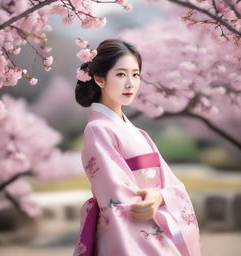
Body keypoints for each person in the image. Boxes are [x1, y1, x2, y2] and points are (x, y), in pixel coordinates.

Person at [73, 39, 201, 256]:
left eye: (135, 74)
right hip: (128, 235)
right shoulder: (97, 129)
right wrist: (147, 204)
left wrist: (159, 197)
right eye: (121, 74)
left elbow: (172, 184)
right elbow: (116, 195)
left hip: (152, 222)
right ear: (99, 79)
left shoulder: (140, 134)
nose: (130, 83)